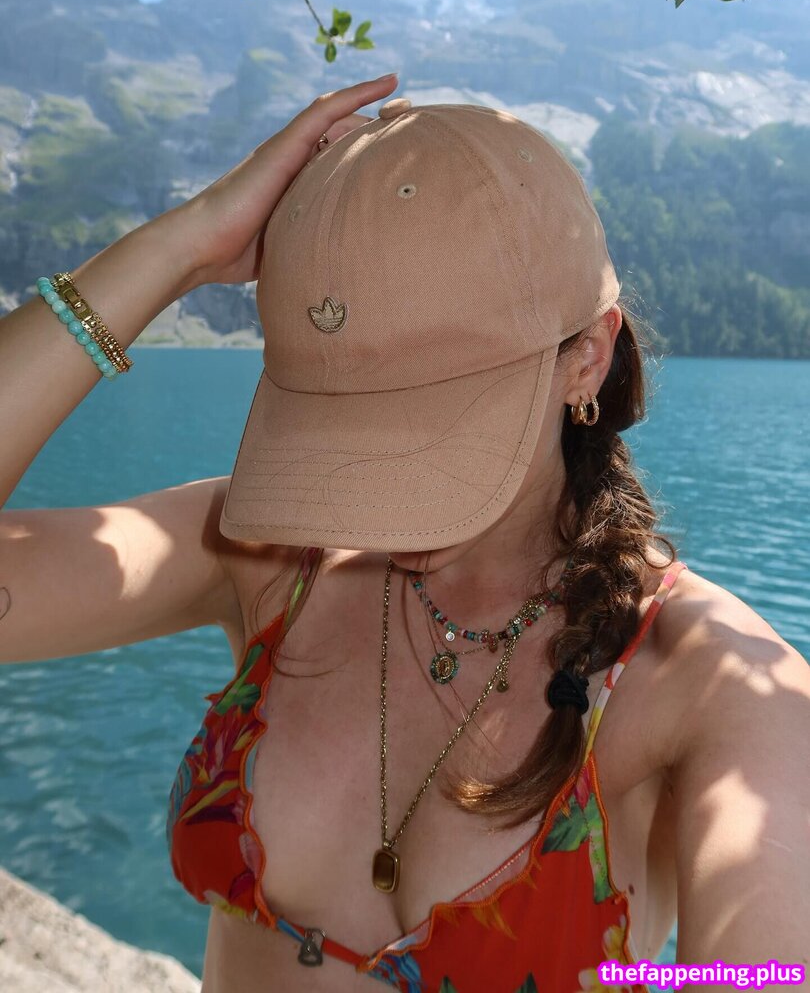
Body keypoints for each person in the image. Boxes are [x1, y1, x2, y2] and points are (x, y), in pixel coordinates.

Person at [0, 74, 807, 993]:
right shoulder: (273, 554)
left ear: (587, 356)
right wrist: (179, 248)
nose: (377, 488)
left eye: (427, 419)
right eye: (341, 420)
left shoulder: (719, 688)